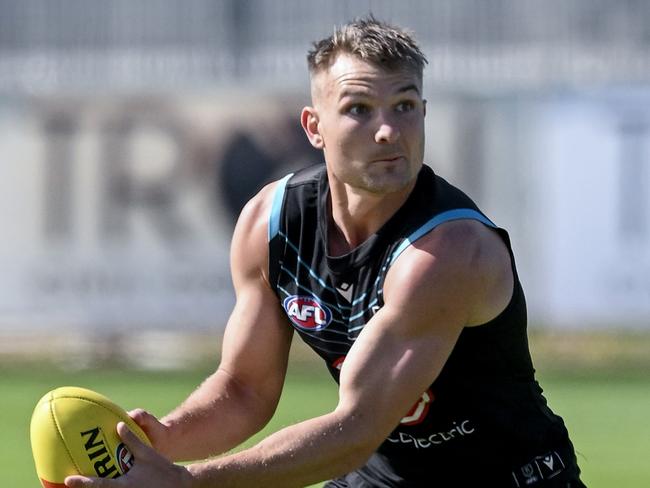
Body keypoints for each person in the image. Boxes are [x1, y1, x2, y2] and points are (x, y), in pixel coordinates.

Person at [65, 16, 585, 488]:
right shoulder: (270, 225)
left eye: (404, 106)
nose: (388, 131)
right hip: (379, 479)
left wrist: (186, 482)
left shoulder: (446, 252)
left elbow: (354, 429)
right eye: (359, 109)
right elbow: (244, 389)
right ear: (314, 127)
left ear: (424, 114)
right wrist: (153, 444)